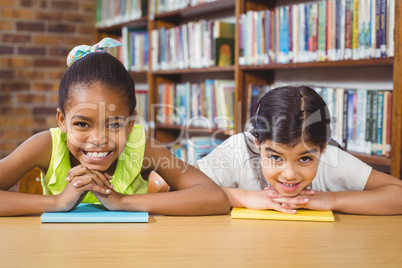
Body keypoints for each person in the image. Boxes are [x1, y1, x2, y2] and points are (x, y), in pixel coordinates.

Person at [0, 38, 230, 217]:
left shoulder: (144, 149)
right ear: (62, 121)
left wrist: (120, 201)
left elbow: (214, 197)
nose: (98, 139)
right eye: (82, 124)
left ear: (130, 125)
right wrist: (57, 202)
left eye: (114, 125)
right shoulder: (46, 146)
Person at [197, 85, 402, 215]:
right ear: (257, 144)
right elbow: (180, 188)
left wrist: (331, 199)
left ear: (322, 148)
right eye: (275, 157)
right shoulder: (238, 148)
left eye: (304, 159)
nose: (289, 174)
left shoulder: (331, 158)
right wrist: (241, 197)